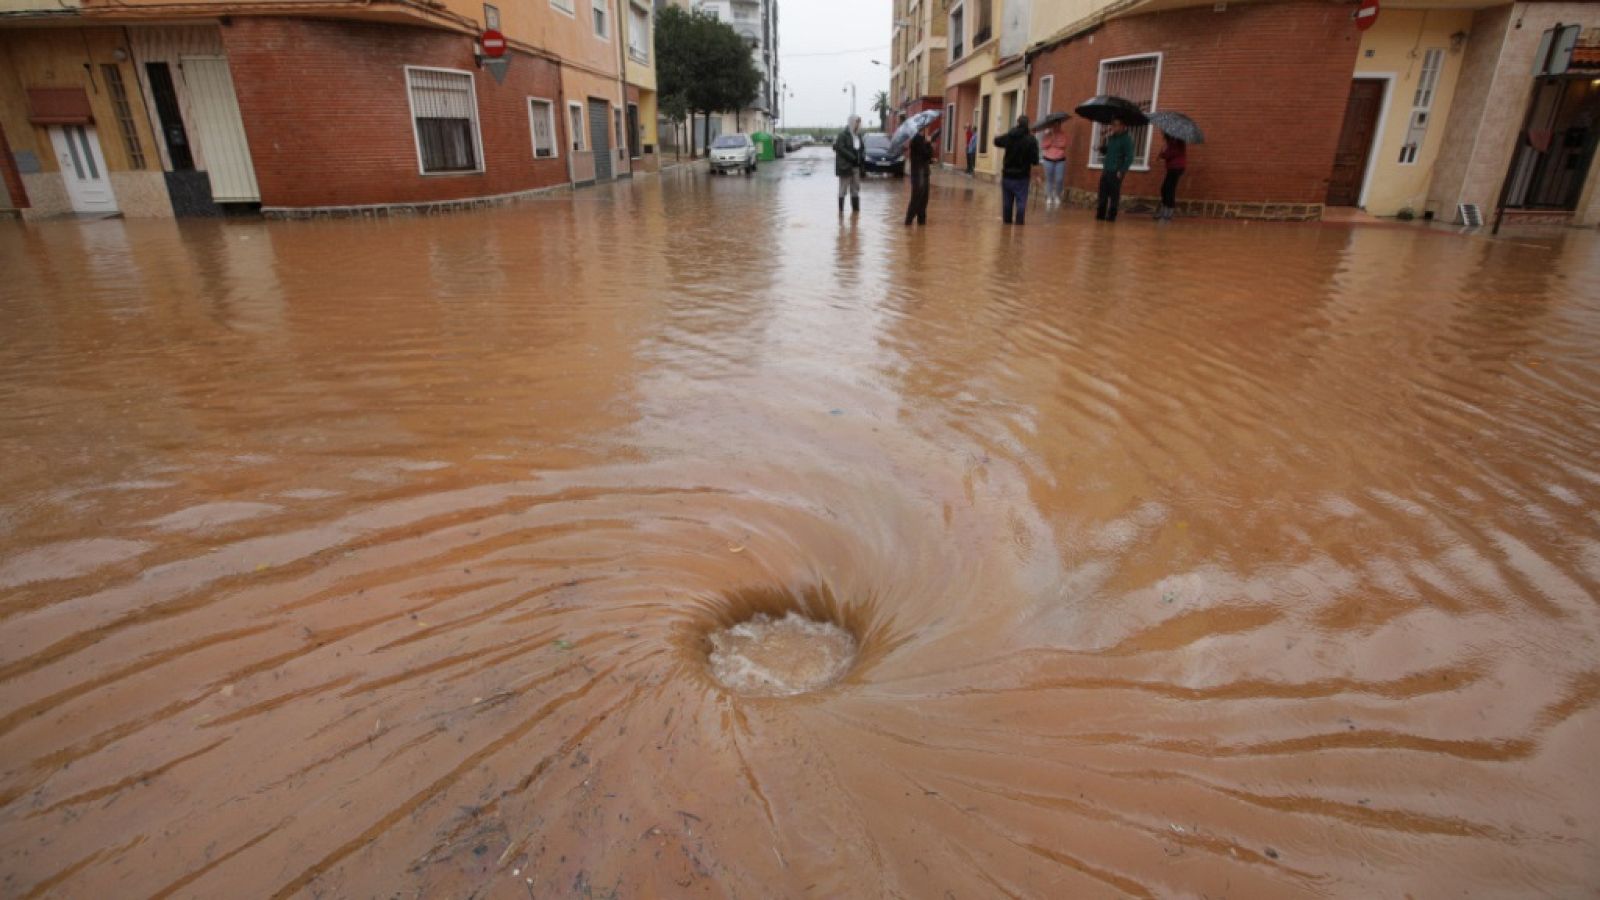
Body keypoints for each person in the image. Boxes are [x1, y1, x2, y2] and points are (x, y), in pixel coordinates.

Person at [993, 114, 1040, 225]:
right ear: (1027, 125)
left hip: (1007, 175)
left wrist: (998, 134)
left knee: (1007, 202)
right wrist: (1037, 176)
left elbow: (996, 141)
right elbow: (1035, 160)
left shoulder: (1010, 136)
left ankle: (1007, 225)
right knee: (1021, 201)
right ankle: (1019, 227)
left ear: (1017, 123)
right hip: (1022, 177)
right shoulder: (1031, 140)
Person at [1096, 119, 1135, 222]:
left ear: (1123, 126)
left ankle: (1111, 217)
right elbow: (1107, 152)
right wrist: (1101, 146)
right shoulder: (1112, 137)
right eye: (1112, 125)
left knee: (1114, 195)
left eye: (1115, 125)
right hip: (1106, 169)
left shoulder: (1127, 140)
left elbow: (1130, 157)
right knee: (1102, 194)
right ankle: (1100, 216)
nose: (1113, 127)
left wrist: (1122, 170)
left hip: (1116, 171)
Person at [833, 116, 865, 215]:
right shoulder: (843, 135)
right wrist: (853, 157)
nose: (858, 125)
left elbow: (862, 148)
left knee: (855, 189)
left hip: (856, 167)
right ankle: (841, 214)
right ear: (852, 123)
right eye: (857, 123)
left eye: (859, 123)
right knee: (843, 189)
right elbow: (840, 148)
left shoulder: (858, 135)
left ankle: (856, 213)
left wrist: (861, 158)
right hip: (846, 167)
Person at [905, 123, 934, 226]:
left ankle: (921, 223)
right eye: (927, 127)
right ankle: (908, 222)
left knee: (923, 199)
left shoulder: (921, 139)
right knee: (917, 198)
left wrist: (928, 144)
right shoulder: (917, 139)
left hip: (923, 173)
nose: (928, 129)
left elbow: (928, 157)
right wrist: (929, 143)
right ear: (924, 128)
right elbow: (926, 154)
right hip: (919, 173)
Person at [1155, 134, 1186, 221]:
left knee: (1169, 189)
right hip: (1172, 168)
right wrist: (1162, 151)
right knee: (1165, 188)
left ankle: (1168, 211)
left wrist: (1164, 151)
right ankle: (1165, 209)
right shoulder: (1171, 142)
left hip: (1177, 168)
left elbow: (1170, 154)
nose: (1163, 137)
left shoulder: (1179, 141)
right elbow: (1165, 155)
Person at [1040, 119, 1068, 208]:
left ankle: (1057, 195)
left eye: (1058, 125)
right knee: (1049, 179)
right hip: (1048, 159)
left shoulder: (1063, 134)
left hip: (1060, 159)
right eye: (1055, 125)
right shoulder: (1047, 134)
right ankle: (1049, 196)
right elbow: (1043, 146)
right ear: (1052, 125)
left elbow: (1063, 145)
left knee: (1059, 179)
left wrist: (1053, 143)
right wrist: (1051, 141)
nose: (1057, 126)